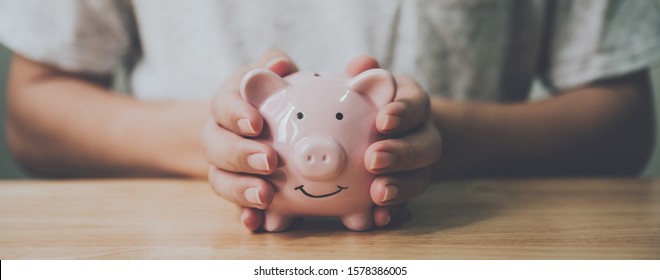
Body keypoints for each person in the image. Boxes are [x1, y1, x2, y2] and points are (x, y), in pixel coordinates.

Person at [0, 0, 658, 231]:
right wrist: (216, 144)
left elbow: (623, 119)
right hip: (188, 239)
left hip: (463, 229)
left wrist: (443, 138)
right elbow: (33, 112)